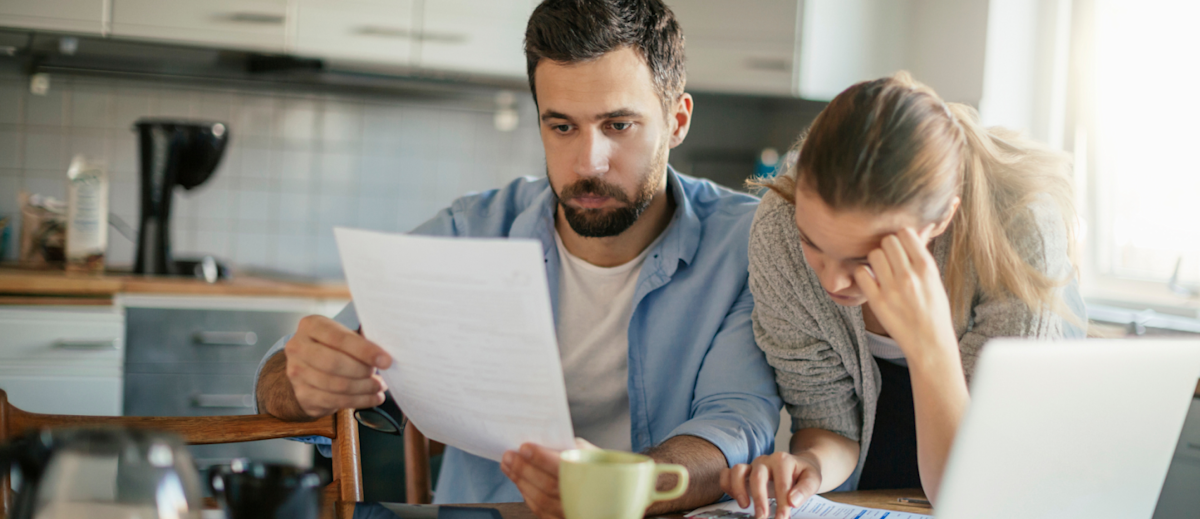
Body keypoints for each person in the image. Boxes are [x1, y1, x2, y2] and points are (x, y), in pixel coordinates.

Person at [253, 1, 781, 517]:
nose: (587, 162)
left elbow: (734, 425)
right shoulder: (474, 232)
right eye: (562, 126)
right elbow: (277, 383)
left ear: (677, 120)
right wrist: (301, 380)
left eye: (618, 126)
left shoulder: (744, 244)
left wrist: (622, 490)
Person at [719, 72, 1086, 519]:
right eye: (812, 243)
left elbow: (973, 489)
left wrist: (929, 342)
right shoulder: (779, 225)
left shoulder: (1018, 233)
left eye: (864, 258)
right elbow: (828, 423)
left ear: (941, 220)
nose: (833, 282)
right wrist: (809, 465)